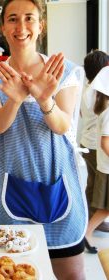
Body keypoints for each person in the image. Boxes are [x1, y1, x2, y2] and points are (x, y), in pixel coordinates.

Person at [0, 0, 87, 279]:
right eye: (13, 19)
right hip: (9, 186)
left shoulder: (63, 72)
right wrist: (14, 99)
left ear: (41, 25)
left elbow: (63, 125)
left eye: (29, 18)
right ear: (3, 27)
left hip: (59, 184)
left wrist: (44, 98)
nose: (21, 26)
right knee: (13, 273)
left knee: (72, 275)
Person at [80, 50, 109, 254]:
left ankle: (91, 222)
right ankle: (88, 226)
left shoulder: (87, 90)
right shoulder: (100, 93)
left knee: (93, 186)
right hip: (96, 146)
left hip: (89, 142)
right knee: (98, 189)